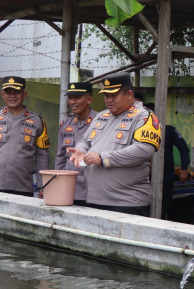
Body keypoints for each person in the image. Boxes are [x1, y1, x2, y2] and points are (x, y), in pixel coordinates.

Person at [68, 72, 161, 216]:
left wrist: (103, 158)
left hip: (126, 204)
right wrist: (80, 150)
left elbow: (143, 150)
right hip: (94, 200)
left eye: (113, 95)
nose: (109, 100)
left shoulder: (144, 116)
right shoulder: (102, 116)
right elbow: (85, 141)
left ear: (129, 94)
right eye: (106, 96)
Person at [144, 103, 190, 220]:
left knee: (163, 209)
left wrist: (184, 169)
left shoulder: (169, 131)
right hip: (143, 179)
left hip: (166, 179)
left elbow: (184, 149)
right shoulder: (138, 132)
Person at [54, 82, 98, 205]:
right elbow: (60, 157)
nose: (72, 102)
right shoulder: (66, 123)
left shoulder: (100, 122)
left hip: (92, 189)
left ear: (89, 99)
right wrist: (56, 182)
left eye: (77, 98)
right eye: (70, 98)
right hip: (69, 188)